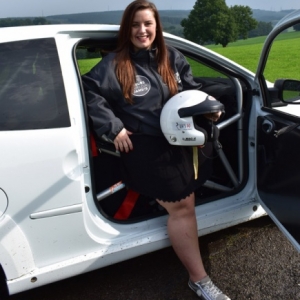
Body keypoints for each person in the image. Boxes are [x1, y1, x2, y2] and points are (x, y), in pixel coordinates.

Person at [82, 1, 230, 299]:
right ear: (128, 29)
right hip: (146, 146)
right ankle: (199, 280)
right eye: (135, 24)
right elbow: (89, 91)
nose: (142, 30)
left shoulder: (171, 57)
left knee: (186, 199)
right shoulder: (113, 64)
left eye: (147, 23)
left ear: (157, 26)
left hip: (180, 140)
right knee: (183, 208)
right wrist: (113, 127)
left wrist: (208, 110)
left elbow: (191, 90)